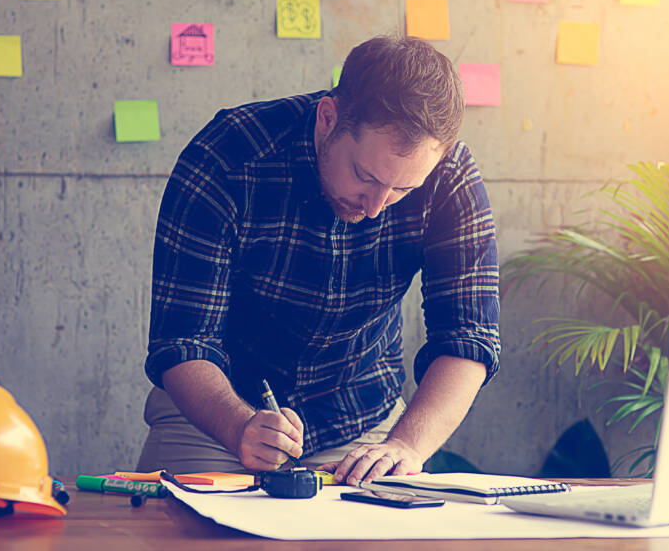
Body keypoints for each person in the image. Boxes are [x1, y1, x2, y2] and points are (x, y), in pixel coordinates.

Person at [136, 35, 500, 486]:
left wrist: (407, 447)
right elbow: (183, 342)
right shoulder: (228, 156)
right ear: (328, 118)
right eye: (365, 176)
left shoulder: (451, 178)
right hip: (215, 413)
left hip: (363, 425)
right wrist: (238, 427)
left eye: (403, 191)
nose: (375, 207)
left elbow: (467, 338)